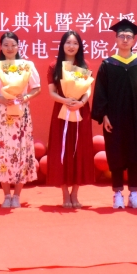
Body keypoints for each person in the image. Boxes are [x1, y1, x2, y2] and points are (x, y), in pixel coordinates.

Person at [91, 19, 137, 209]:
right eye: (121, 36)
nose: (125, 39)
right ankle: (117, 193)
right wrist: (104, 115)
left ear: (134, 40)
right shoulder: (108, 64)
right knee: (116, 154)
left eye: (128, 36)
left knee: (136, 154)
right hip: (115, 118)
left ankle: (134, 193)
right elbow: (100, 92)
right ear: (116, 39)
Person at [0, 32, 41, 208]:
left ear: (18, 47)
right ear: (1, 47)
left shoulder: (27, 66)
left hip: (21, 114)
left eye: (13, 45)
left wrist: (26, 97)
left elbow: (36, 88)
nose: (10, 48)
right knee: (3, 153)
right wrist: (1, 99)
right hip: (2, 114)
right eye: (6, 45)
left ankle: (17, 195)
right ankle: (6, 195)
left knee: (21, 152)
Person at [46, 30, 96, 208]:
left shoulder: (84, 65)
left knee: (79, 150)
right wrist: (65, 100)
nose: (71, 46)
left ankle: (75, 193)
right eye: (68, 42)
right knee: (62, 150)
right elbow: (52, 92)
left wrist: (81, 102)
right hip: (62, 111)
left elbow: (88, 89)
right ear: (62, 45)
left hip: (80, 111)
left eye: (75, 43)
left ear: (79, 46)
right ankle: (65, 193)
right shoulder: (54, 66)